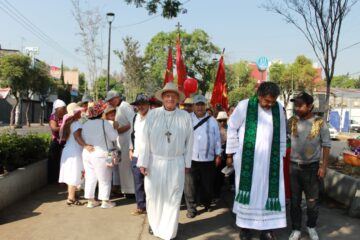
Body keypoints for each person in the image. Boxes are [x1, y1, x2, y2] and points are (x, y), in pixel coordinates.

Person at [226, 82, 287, 240]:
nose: (270, 104)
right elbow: (232, 127)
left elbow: (281, 133)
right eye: (267, 101)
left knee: (268, 192)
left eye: (273, 101)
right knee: (249, 193)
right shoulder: (245, 105)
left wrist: (280, 156)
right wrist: (232, 153)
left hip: (270, 161)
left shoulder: (278, 108)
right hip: (248, 160)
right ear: (259, 96)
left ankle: (266, 229)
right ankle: (245, 228)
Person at [137, 82, 193, 240]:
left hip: (176, 162)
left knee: (173, 197)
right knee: (154, 196)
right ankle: (155, 225)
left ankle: (169, 231)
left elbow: (190, 142)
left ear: (177, 99)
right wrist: (143, 162)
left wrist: (187, 163)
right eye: (167, 96)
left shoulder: (185, 117)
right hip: (155, 162)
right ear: (162, 98)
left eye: (173, 96)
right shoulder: (153, 115)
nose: (170, 98)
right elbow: (144, 141)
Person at [288, 92, 331, 240]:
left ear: (310, 106)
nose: (297, 108)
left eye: (300, 105)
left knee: (312, 201)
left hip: (312, 168)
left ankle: (311, 226)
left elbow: (326, 145)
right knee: (295, 201)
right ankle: (296, 229)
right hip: (293, 167)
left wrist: (323, 167)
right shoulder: (292, 121)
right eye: (296, 105)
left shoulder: (319, 122)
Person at [184, 95, 221, 219]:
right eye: (197, 104)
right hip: (190, 158)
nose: (199, 107)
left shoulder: (212, 121)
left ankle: (206, 203)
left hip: (208, 159)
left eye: (202, 104)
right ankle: (191, 209)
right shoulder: (187, 119)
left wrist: (218, 154)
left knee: (207, 185)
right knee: (189, 186)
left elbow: (217, 139)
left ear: (205, 106)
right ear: (193, 106)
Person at [81, 100, 119, 209]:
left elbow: (82, 136)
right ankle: (105, 201)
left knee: (90, 177)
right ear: (100, 113)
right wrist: (115, 128)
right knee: (105, 178)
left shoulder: (85, 123)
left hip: (87, 153)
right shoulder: (104, 123)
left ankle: (90, 200)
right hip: (102, 154)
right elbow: (113, 137)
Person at [58, 103, 92, 206]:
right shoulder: (77, 123)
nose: (81, 112)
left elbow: (88, 119)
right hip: (75, 151)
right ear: (75, 112)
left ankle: (71, 196)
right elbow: (77, 137)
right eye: (79, 111)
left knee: (70, 175)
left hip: (68, 151)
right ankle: (71, 197)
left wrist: (91, 111)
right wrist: (85, 145)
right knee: (74, 175)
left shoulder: (69, 122)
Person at [106, 90, 136, 196]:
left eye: (111, 100)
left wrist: (121, 129)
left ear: (117, 98)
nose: (110, 103)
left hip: (127, 140)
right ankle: (126, 189)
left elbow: (133, 122)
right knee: (123, 166)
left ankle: (131, 190)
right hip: (122, 140)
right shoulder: (120, 108)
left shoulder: (125, 106)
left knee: (127, 166)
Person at [129, 93, 151, 216]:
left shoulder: (154, 116)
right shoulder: (135, 117)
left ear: (148, 105)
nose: (141, 107)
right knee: (138, 182)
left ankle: (152, 206)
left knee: (150, 182)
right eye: (139, 104)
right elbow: (132, 134)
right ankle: (140, 206)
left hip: (150, 155)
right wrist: (130, 149)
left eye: (143, 104)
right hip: (136, 154)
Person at [48, 99, 67, 183]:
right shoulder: (53, 117)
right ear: (56, 109)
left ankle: (63, 179)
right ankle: (52, 179)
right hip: (56, 141)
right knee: (54, 160)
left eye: (65, 108)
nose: (64, 110)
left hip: (65, 141)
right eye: (62, 109)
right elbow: (54, 128)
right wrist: (65, 127)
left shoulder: (66, 115)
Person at [214, 111, 229, 199]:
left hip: (225, 154)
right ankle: (214, 192)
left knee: (222, 174)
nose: (222, 122)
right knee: (215, 174)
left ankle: (218, 192)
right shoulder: (214, 129)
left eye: (224, 120)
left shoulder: (230, 129)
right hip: (216, 154)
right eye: (220, 121)